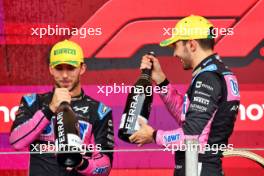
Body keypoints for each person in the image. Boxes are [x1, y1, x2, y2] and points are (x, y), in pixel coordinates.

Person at [129, 15, 240, 176]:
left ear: (192, 44)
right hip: (201, 166)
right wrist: (161, 81)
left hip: (198, 167)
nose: (174, 53)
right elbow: (189, 117)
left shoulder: (208, 77)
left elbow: (191, 136)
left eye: (176, 45)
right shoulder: (216, 71)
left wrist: (153, 135)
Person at [9, 39, 114, 176]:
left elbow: (105, 167)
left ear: (82, 68)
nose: (65, 75)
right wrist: (50, 109)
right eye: (59, 68)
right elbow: (16, 142)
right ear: (51, 69)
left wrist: (81, 163)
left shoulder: (100, 111)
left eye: (71, 68)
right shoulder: (33, 102)